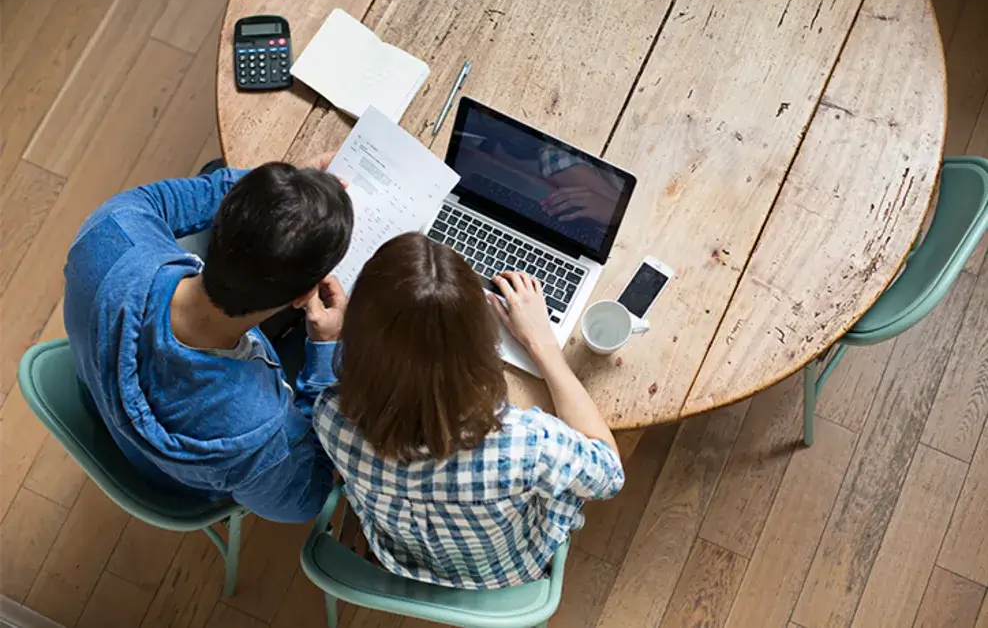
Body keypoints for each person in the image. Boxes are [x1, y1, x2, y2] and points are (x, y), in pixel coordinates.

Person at [312, 232, 625, 589]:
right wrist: (543, 344)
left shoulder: (329, 414)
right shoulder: (525, 445)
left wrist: (331, 342)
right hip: (508, 570)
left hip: (396, 556)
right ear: (481, 341)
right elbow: (609, 474)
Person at [63, 154, 352, 522]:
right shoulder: (258, 432)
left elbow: (193, 193)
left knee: (214, 167)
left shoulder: (110, 233)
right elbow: (304, 503)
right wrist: (325, 355)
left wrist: (283, 202)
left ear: (222, 220)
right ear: (302, 298)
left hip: (110, 405)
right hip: (189, 478)